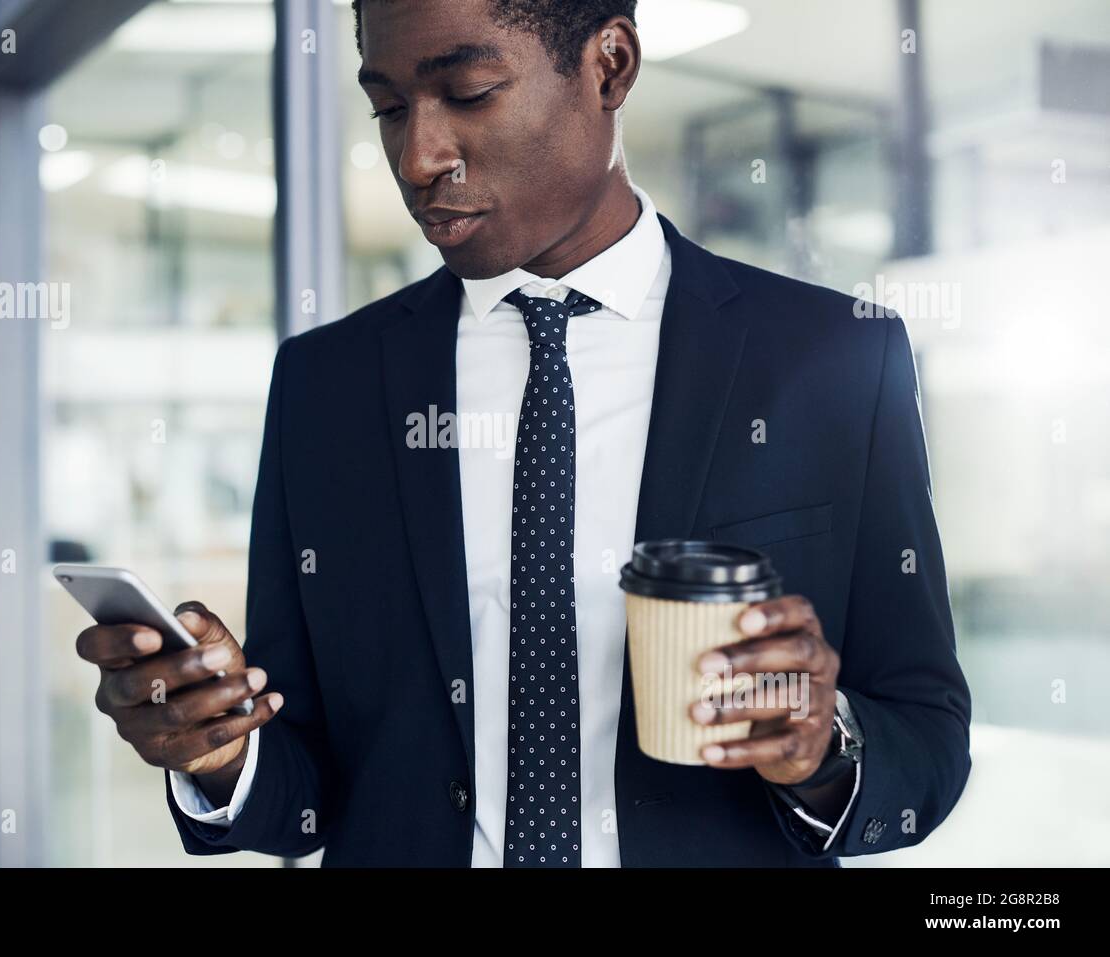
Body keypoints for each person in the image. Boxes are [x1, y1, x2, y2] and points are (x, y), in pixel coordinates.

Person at [75, 0, 971, 866]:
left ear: (608, 65)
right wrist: (218, 750)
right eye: (387, 106)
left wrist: (823, 745)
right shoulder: (328, 385)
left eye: (466, 92)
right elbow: (311, 789)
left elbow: (925, 737)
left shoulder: (834, 356)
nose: (417, 155)